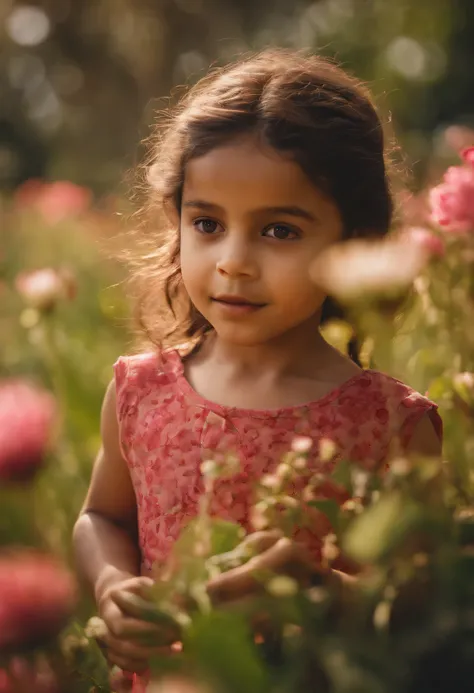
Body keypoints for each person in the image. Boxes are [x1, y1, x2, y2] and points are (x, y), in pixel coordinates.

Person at [73, 49, 443, 688]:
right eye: (208, 223)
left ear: (354, 238)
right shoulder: (139, 390)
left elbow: (426, 602)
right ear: (177, 221)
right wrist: (111, 582)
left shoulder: (392, 424)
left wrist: (321, 592)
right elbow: (102, 518)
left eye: (278, 231)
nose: (233, 261)